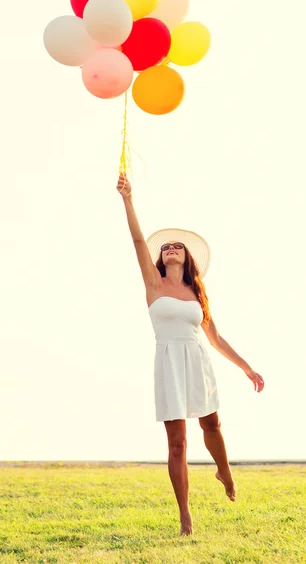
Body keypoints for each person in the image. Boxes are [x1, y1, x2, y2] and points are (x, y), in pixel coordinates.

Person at [117, 173, 265, 536]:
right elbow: (138, 239)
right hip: (168, 362)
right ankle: (185, 516)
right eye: (165, 246)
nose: (170, 248)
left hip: (197, 360)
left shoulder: (198, 295)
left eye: (177, 246)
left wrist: (246, 368)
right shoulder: (153, 284)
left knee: (211, 424)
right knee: (178, 442)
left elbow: (214, 336)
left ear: (187, 257)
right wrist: (128, 198)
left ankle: (224, 470)